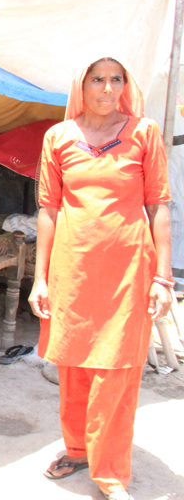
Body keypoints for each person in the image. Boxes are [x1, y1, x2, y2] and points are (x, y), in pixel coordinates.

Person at [28, 57, 173, 500]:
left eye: (117, 79)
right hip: (72, 275)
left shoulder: (143, 133)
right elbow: (49, 210)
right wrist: (40, 279)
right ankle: (77, 448)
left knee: (118, 373)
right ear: (82, 85)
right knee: (73, 369)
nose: (108, 88)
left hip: (129, 273)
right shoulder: (58, 138)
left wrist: (162, 279)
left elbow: (158, 206)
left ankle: (110, 476)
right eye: (98, 79)